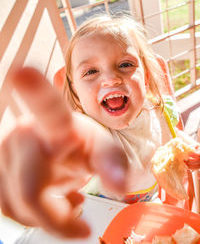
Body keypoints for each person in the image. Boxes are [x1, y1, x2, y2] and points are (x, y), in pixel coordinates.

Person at [0, 13, 200, 239]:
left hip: (146, 213)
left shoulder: (158, 110)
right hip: (97, 224)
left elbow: (173, 137)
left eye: (125, 64)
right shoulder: (92, 135)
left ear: (144, 76)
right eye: (91, 72)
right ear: (75, 91)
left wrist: (189, 148)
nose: (110, 78)